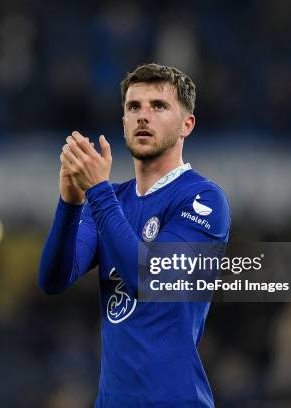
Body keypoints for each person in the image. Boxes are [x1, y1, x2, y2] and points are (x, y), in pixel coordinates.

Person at [38, 63, 231, 407]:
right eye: (134, 107)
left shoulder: (203, 199)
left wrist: (97, 191)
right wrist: (70, 203)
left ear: (187, 124)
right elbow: (53, 279)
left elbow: (149, 278)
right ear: (124, 122)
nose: (144, 116)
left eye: (159, 106)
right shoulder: (111, 200)